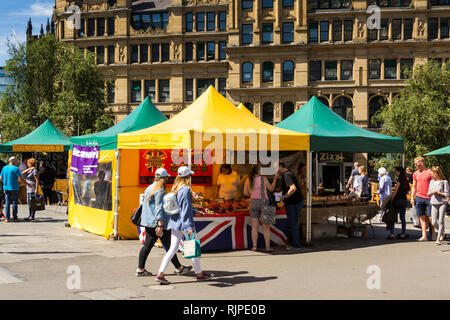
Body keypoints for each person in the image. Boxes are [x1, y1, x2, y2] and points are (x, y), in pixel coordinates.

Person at [155, 166, 214, 285]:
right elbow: (185, 210)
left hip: (175, 222)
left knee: (172, 249)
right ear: (188, 177)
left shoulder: (175, 188)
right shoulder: (186, 189)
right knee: (193, 248)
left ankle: (160, 274)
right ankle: (199, 274)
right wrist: (189, 227)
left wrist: (194, 212)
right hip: (184, 223)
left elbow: (180, 208)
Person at [137, 168, 192, 277]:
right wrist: (160, 224)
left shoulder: (149, 187)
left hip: (149, 222)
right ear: (163, 178)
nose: (168, 178)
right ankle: (177, 268)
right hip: (158, 223)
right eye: (166, 177)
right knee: (168, 246)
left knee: (152, 246)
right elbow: (158, 208)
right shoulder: (160, 190)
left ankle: (178, 267)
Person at [243, 164, 276, 252]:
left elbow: (245, 193)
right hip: (264, 202)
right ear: (258, 171)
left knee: (254, 227)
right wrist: (275, 179)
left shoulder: (248, 180)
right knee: (266, 227)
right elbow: (271, 189)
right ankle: (268, 247)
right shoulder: (263, 178)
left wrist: (252, 195)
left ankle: (254, 247)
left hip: (253, 203)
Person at [276, 162, 304, 251]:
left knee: (293, 223)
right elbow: (289, 188)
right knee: (293, 223)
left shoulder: (286, 175)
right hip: (295, 202)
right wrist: (280, 189)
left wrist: (284, 197)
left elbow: (293, 188)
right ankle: (295, 243)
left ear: (280, 167)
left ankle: (296, 244)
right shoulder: (287, 174)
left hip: (293, 202)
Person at [411, 157, 434, 241]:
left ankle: (433, 233)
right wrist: (412, 198)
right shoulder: (415, 173)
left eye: (416, 164)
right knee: (421, 217)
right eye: (415, 164)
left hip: (429, 198)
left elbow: (434, 183)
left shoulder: (429, 172)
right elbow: (414, 186)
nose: (415, 165)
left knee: (431, 217)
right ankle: (424, 235)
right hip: (419, 197)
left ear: (422, 163)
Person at [0, 157, 29, 222]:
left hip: (6, 188)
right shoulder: (16, 168)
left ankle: (7, 218)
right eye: (16, 160)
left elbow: (0, 178)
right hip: (15, 188)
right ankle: (15, 218)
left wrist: (4, 183)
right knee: (14, 203)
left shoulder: (4, 168)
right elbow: (20, 179)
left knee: (7, 202)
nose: (17, 162)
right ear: (13, 161)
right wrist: (26, 184)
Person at [387, 167, 410, 240]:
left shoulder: (399, 181)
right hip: (404, 200)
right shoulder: (406, 180)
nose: (395, 173)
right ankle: (403, 233)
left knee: (393, 217)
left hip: (397, 201)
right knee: (402, 218)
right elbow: (407, 190)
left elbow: (395, 191)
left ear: (399, 172)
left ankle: (392, 233)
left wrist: (391, 200)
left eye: (396, 171)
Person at [427, 166, 449, 245]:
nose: (431, 175)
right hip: (433, 202)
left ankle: (438, 238)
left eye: (432, 174)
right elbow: (428, 193)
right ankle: (442, 232)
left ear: (437, 173)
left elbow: (447, 194)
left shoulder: (444, 182)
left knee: (440, 220)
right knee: (433, 222)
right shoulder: (432, 182)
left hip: (442, 203)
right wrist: (431, 192)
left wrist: (439, 192)